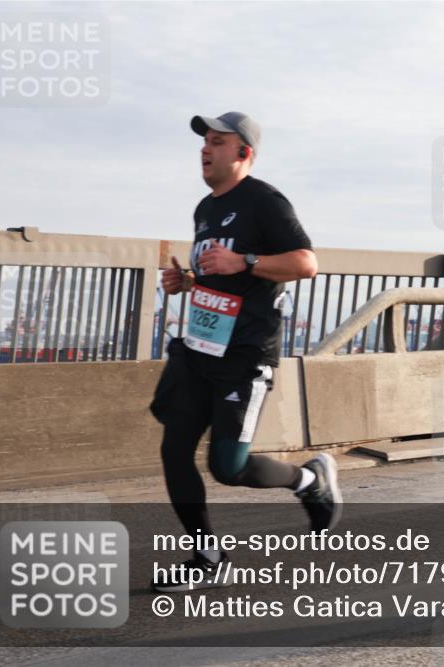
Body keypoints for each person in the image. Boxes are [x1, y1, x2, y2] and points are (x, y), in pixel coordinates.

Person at [150, 111, 341, 592]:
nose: (205, 148)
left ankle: (309, 481)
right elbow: (220, 275)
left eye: (218, 141)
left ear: (244, 153)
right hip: (200, 348)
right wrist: (186, 281)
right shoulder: (205, 209)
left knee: (228, 468)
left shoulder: (265, 201)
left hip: (244, 354)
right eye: (205, 141)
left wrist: (245, 260)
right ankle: (208, 556)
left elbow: (306, 263)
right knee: (174, 450)